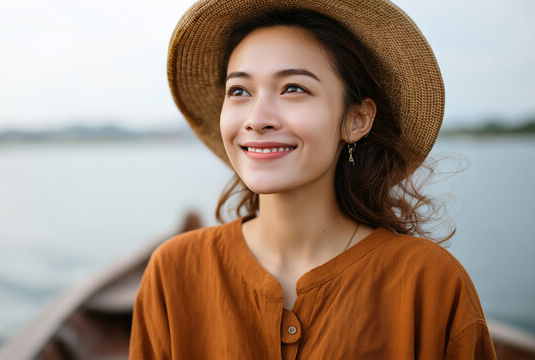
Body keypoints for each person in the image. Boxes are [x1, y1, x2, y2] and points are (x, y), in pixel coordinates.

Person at [131, 0, 496, 359]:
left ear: (356, 120)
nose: (258, 119)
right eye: (239, 91)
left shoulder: (429, 281)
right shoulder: (174, 270)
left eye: (293, 88)